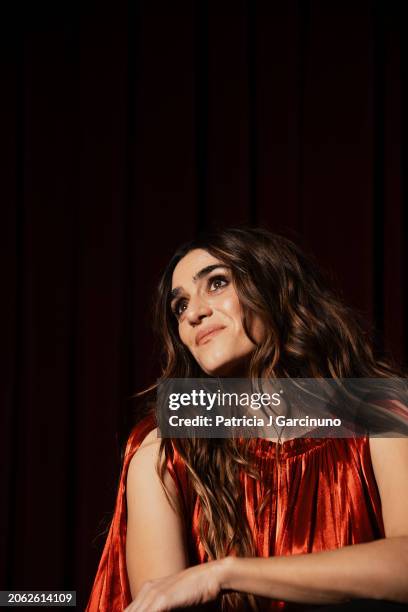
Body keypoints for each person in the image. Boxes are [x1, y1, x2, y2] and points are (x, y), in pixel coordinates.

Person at [86, 227, 408, 612]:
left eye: (217, 283)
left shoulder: (379, 413)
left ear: (275, 288)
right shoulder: (165, 451)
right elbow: (161, 602)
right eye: (180, 306)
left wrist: (222, 573)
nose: (194, 313)